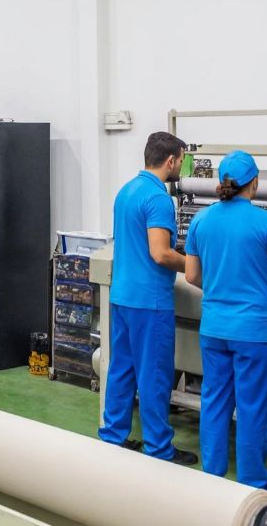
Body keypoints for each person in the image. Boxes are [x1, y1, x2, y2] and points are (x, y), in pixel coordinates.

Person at [184, 150, 267, 495]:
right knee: (252, 409)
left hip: (214, 327)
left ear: (220, 183)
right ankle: (252, 484)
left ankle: (211, 481)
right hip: (255, 332)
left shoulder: (201, 221)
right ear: (254, 183)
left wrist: (219, 286)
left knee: (214, 403)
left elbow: (191, 275)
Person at [98, 131, 197, 465]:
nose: (181, 168)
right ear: (171, 160)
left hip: (123, 295)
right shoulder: (158, 198)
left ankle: (113, 437)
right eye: (182, 161)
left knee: (121, 369)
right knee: (154, 374)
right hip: (149, 302)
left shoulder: (126, 192)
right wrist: (195, 266)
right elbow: (160, 253)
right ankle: (159, 448)